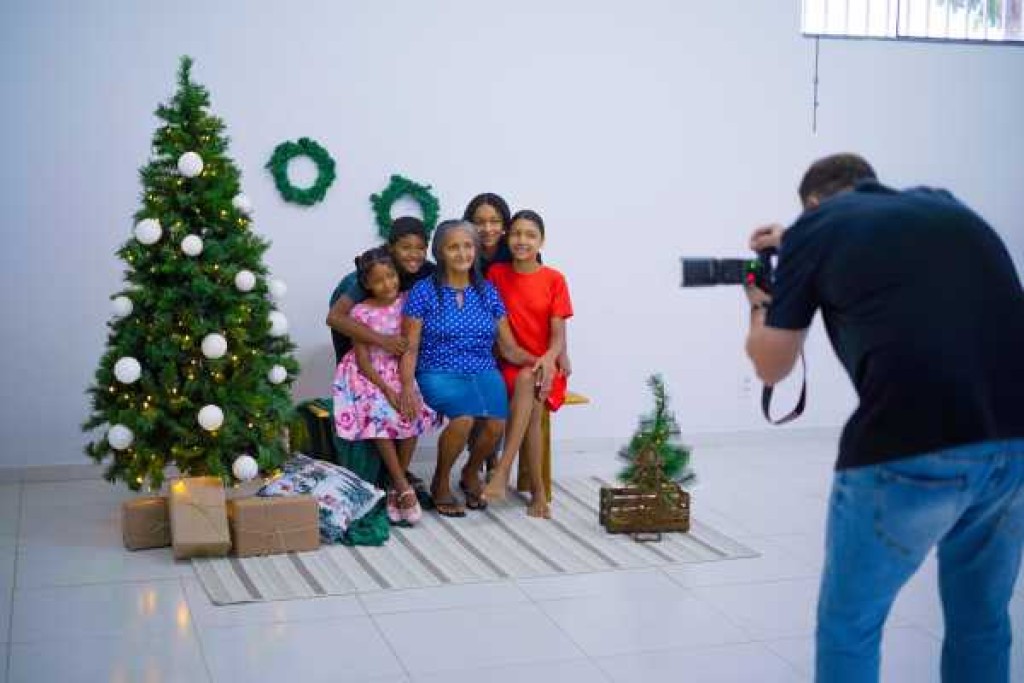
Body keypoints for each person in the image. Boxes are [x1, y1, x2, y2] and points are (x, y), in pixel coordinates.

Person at [743, 152, 1024, 683]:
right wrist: (797, 242)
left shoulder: (815, 228)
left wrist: (759, 301)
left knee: (850, 625)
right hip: (1014, 440)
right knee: (982, 621)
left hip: (910, 442)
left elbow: (773, 366)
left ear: (812, 203)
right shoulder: (946, 207)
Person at [400, 219, 539, 517]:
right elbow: (409, 346)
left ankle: (469, 473)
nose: (462, 253)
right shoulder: (423, 292)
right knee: (463, 420)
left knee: (495, 424)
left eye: (468, 246)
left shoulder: (488, 292)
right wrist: (407, 385)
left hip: (483, 369)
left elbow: (509, 348)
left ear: (475, 250)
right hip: (438, 369)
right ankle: (440, 481)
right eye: (453, 247)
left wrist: (542, 362)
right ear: (440, 252)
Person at [327, 216, 436, 504]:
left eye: (420, 248)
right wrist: (382, 341)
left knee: (411, 407)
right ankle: (394, 479)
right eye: (405, 248)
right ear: (391, 248)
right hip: (365, 351)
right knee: (379, 405)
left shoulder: (424, 275)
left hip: (399, 357)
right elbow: (335, 318)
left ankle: (397, 479)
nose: (413, 254)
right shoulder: (366, 277)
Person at [481, 210, 573, 518]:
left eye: (530, 235)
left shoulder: (554, 279)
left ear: (541, 241)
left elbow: (558, 336)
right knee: (528, 398)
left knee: (527, 381)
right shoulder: (496, 274)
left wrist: (550, 359)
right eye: (517, 233)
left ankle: (502, 471)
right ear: (508, 237)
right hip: (509, 364)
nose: (522, 240)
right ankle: (538, 494)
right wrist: (538, 362)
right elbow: (499, 334)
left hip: (546, 368)